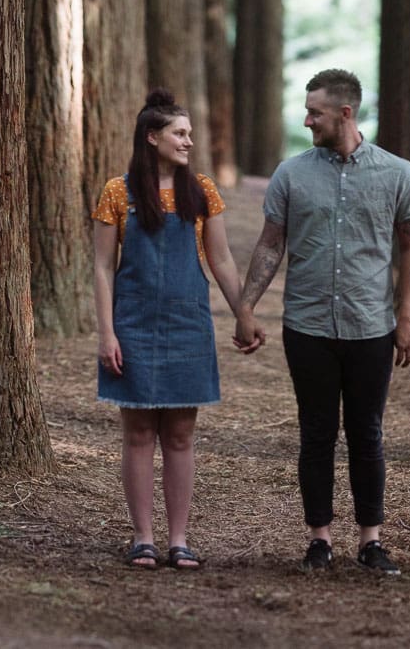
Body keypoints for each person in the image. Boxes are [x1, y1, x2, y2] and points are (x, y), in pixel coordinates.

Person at [233, 68, 410, 576]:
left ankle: (370, 540)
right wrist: (247, 306)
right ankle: (318, 539)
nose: (306, 119)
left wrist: (407, 316)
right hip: (308, 326)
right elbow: (271, 243)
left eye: (314, 112)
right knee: (316, 433)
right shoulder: (291, 174)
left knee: (367, 433)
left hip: (371, 327)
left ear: (345, 112)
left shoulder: (398, 173)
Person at [93, 89, 260, 569]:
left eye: (189, 134)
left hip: (189, 324)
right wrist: (107, 333)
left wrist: (243, 313)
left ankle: (179, 538)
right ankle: (143, 536)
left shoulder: (202, 191)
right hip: (134, 325)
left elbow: (223, 260)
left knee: (182, 435)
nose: (189, 142)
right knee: (140, 432)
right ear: (152, 137)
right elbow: (104, 269)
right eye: (180, 133)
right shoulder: (116, 192)